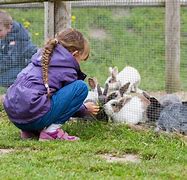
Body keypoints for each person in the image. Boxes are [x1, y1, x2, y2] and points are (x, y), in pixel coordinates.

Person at [3, 28, 100, 141]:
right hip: (32, 116)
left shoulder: (41, 58)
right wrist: (83, 109)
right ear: (75, 54)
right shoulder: (67, 69)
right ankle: (51, 132)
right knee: (80, 87)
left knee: (37, 94)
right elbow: (65, 104)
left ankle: (30, 131)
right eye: (81, 60)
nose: (79, 64)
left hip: (16, 117)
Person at [0, 10, 38, 87]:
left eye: (0, 30)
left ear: (9, 28)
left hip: (27, 69)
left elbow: (10, 60)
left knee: (2, 79)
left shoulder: (18, 39)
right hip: (15, 66)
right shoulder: (6, 37)